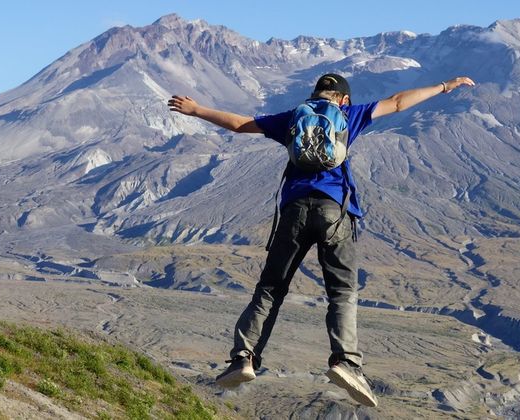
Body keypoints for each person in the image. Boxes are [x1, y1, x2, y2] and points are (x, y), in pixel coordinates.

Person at [168, 73, 475, 407]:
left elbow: (240, 124)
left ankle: (244, 357)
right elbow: (400, 102)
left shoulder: (292, 118)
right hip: (335, 213)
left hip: (294, 211)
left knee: (270, 289)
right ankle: (346, 363)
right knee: (342, 292)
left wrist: (196, 110)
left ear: (315, 95)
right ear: (342, 99)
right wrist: (445, 86)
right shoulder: (349, 115)